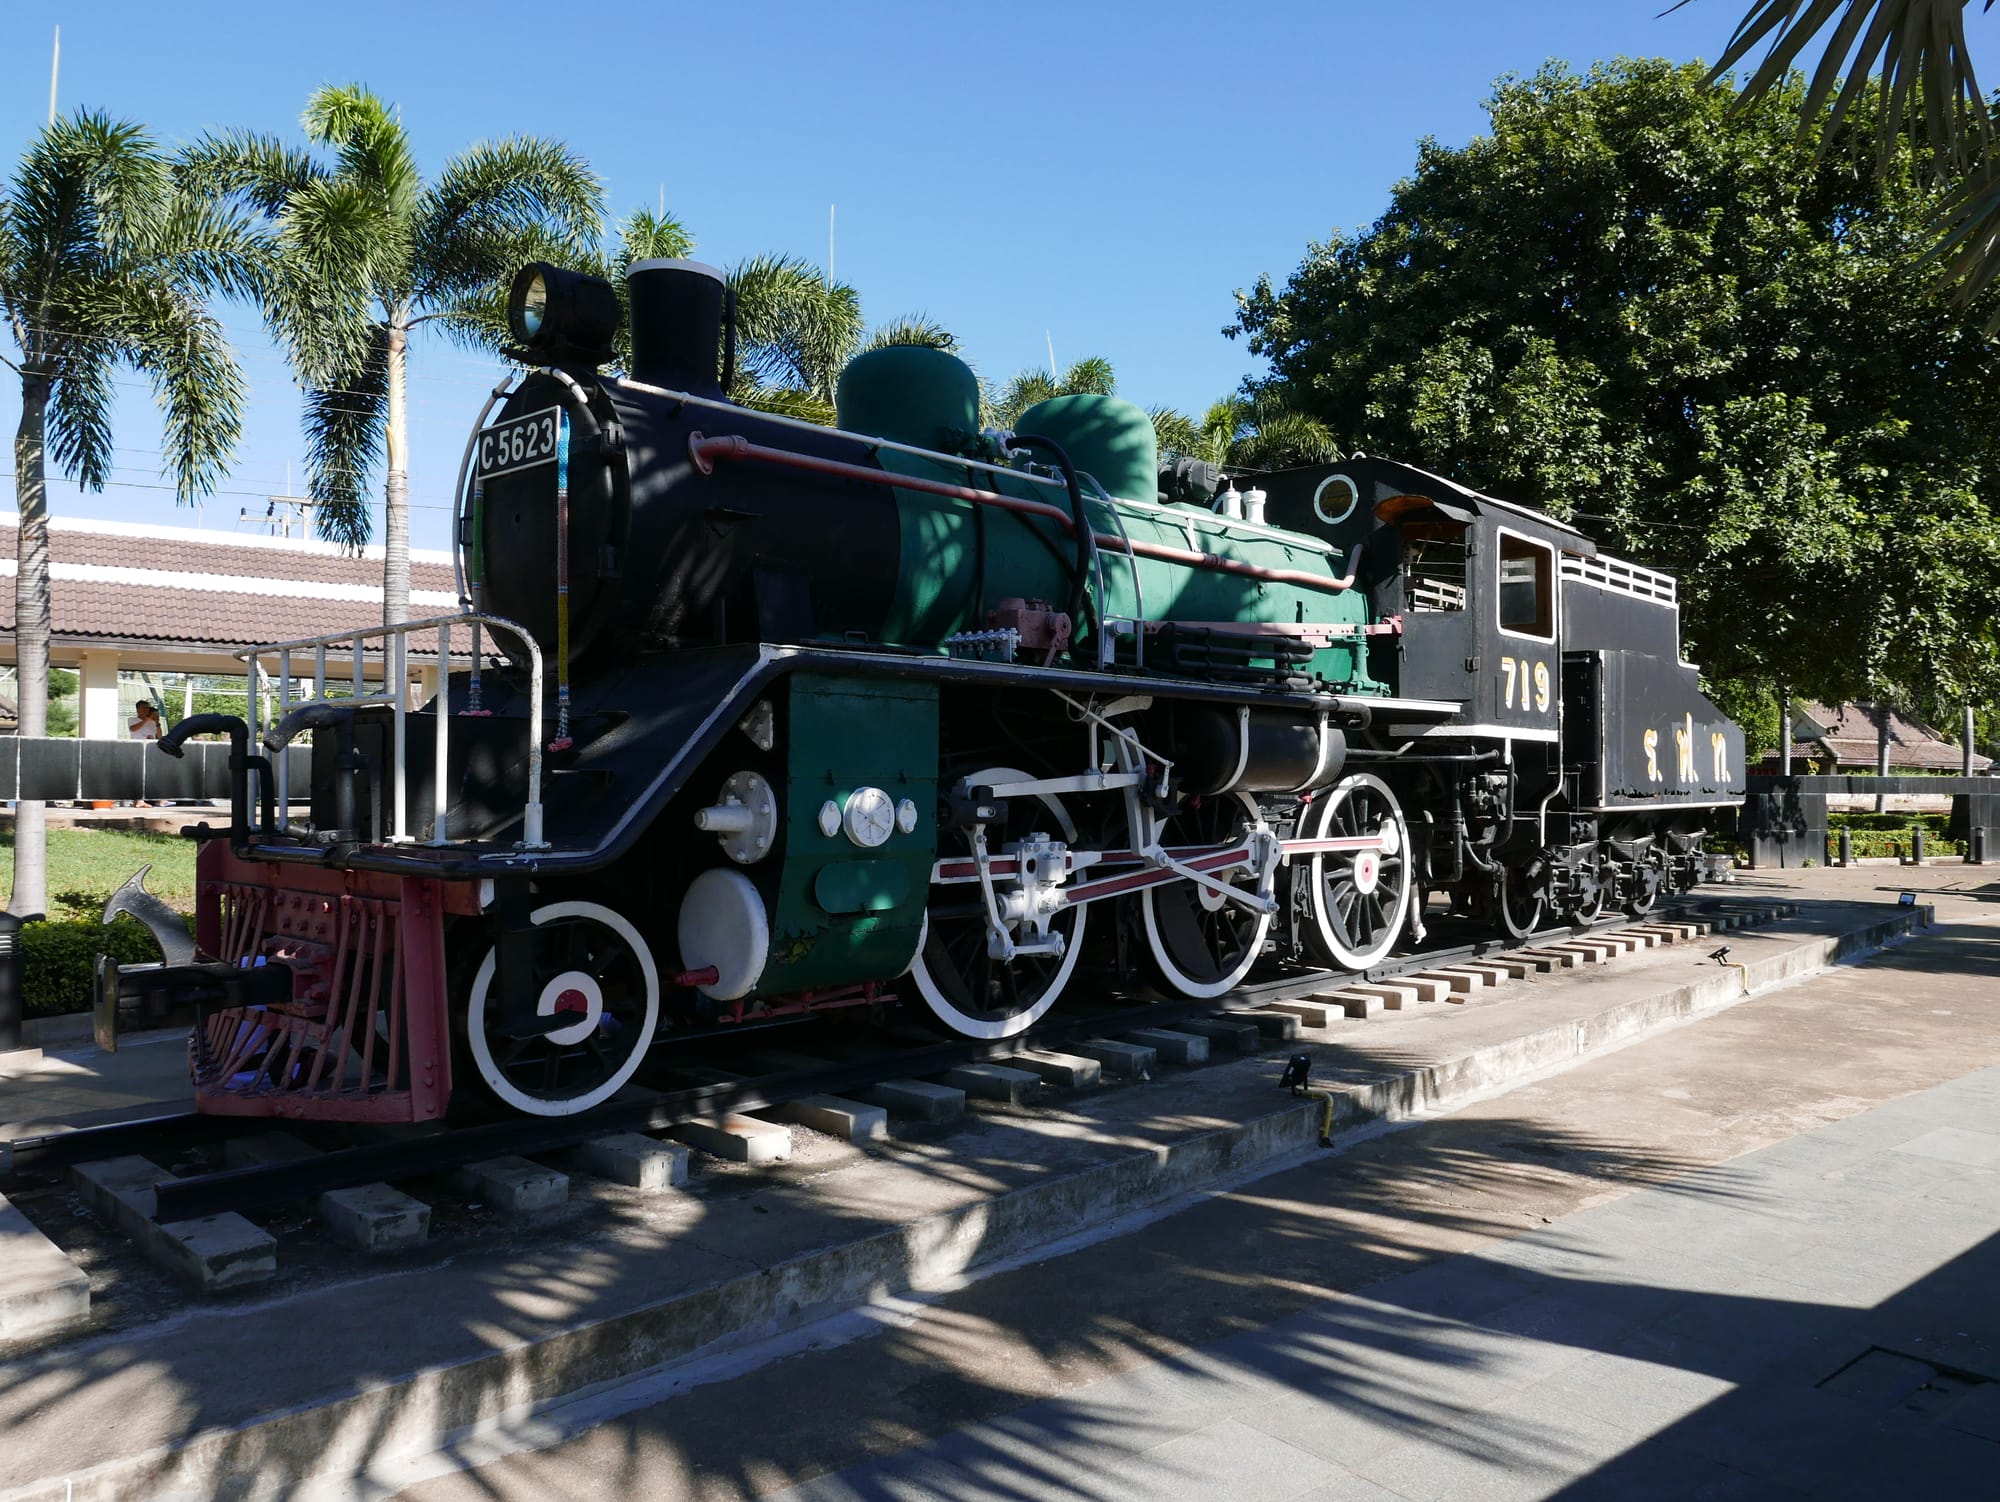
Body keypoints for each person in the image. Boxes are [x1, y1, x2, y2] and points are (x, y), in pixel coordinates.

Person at [129, 700, 163, 806]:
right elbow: (133, 729)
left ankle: (144, 800)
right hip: (137, 750)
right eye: (144, 708)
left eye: (147, 708)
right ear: (138, 709)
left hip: (150, 750)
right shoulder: (132, 720)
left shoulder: (152, 723)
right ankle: (138, 800)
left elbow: (159, 736)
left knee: (148, 776)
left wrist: (156, 723)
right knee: (138, 775)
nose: (146, 710)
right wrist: (147, 719)